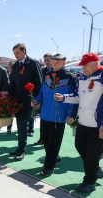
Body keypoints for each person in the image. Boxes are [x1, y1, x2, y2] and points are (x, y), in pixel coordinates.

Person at [55, 53, 103, 193]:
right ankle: (95, 169)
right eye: (82, 66)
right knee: (80, 146)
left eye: (86, 65)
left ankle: (90, 182)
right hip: (83, 122)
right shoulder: (82, 78)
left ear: (96, 63)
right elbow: (77, 97)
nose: (84, 68)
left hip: (96, 125)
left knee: (92, 155)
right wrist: (63, 98)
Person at [32, 53, 78, 177]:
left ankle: (49, 167)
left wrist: (72, 114)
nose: (55, 64)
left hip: (59, 117)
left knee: (54, 142)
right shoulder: (47, 75)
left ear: (64, 63)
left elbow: (76, 98)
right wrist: (37, 100)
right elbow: (42, 92)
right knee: (46, 141)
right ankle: (54, 158)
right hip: (45, 115)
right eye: (53, 62)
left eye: (58, 62)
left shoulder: (70, 77)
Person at [1, 43, 42, 161]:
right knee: (19, 126)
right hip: (17, 100)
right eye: (14, 53)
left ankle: (22, 150)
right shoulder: (15, 66)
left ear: (24, 51)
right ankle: (19, 148)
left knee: (23, 125)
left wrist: (37, 99)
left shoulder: (33, 64)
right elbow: (13, 83)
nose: (16, 55)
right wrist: (7, 93)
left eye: (17, 53)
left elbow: (39, 83)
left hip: (28, 100)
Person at [34, 53, 53, 145]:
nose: (46, 62)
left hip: (54, 101)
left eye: (48, 60)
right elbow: (39, 85)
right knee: (43, 120)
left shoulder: (57, 71)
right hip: (44, 99)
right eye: (45, 60)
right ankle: (42, 138)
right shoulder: (42, 71)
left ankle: (51, 139)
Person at [7, 61, 14, 135]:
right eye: (9, 65)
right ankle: (9, 128)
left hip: (15, 95)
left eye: (11, 65)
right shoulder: (6, 73)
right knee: (9, 112)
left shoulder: (16, 74)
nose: (10, 66)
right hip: (7, 95)